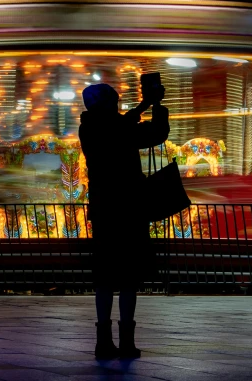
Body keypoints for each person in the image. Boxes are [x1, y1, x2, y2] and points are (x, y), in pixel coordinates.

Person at [78, 82, 169, 359]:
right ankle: (124, 341)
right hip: (128, 209)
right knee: (127, 277)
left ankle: (105, 340)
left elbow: (144, 132)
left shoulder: (92, 128)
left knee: (107, 278)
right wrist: (150, 105)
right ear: (104, 103)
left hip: (107, 211)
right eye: (114, 100)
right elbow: (152, 134)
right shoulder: (105, 127)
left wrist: (150, 107)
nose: (117, 104)